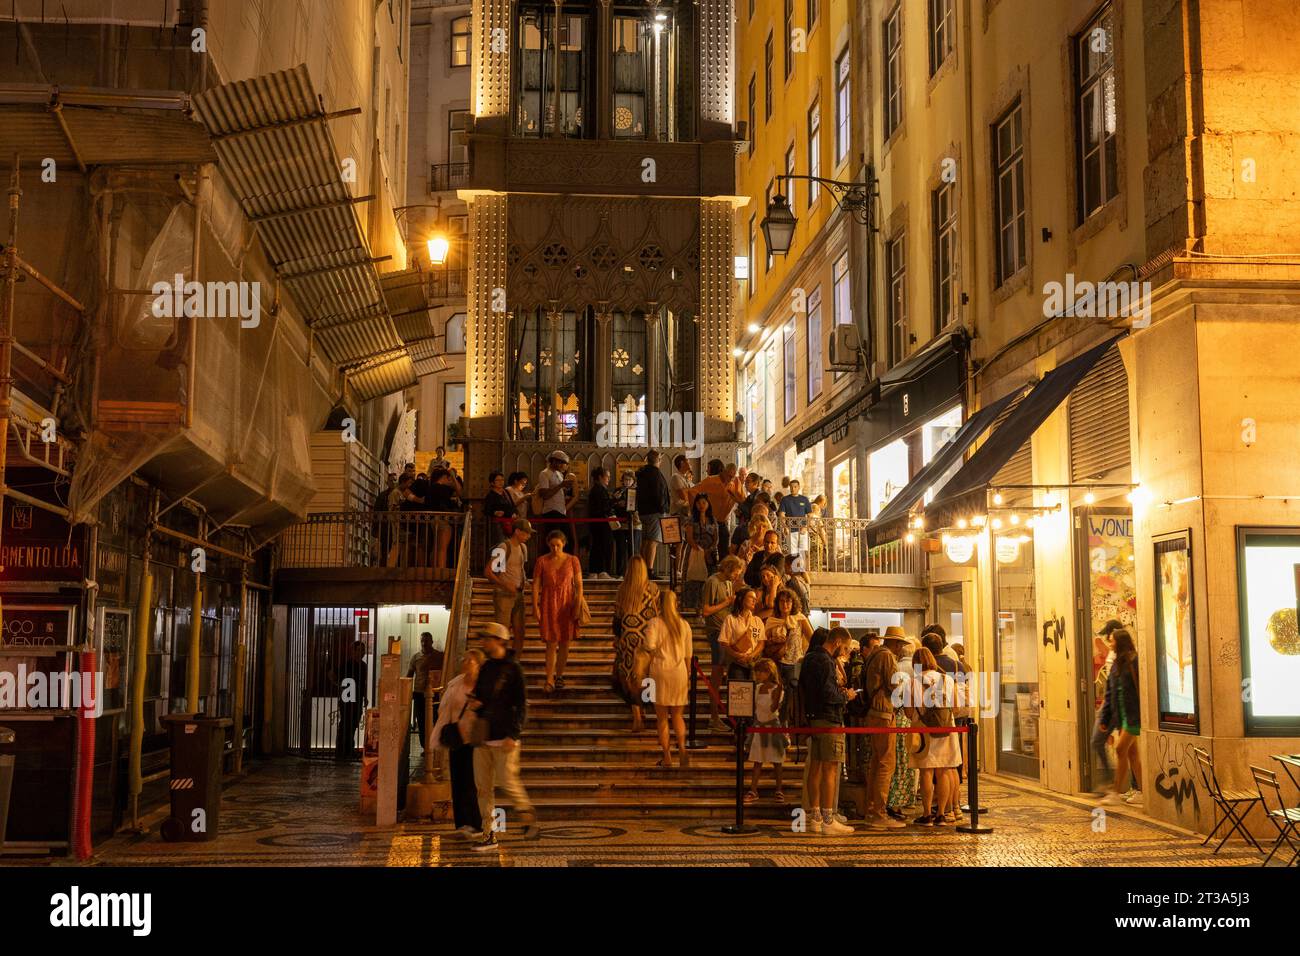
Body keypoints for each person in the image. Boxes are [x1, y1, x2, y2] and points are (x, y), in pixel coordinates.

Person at [468, 623, 538, 851]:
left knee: (508, 782)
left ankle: (526, 813)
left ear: (499, 641)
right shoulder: (486, 668)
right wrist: (476, 705)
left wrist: (514, 734)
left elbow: (521, 705)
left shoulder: (513, 669)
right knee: (483, 788)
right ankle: (489, 834)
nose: (483, 642)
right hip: (483, 737)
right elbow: (480, 698)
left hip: (505, 738)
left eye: (487, 638)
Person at [801, 626, 856, 835]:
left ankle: (814, 817)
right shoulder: (825, 660)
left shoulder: (809, 657)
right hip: (828, 719)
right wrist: (846, 695)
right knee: (830, 768)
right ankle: (827, 819)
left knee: (815, 765)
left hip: (813, 718)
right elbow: (828, 693)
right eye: (845, 648)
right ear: (838, 642)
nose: (845, 652)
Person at [431, 648, 484, 836]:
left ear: (479, 664)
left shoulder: (482, 687)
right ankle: (461, 823)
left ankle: (476, 823)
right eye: (465, 659)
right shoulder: (456, 683)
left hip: (473, 740)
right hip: (456, 738)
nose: (466, 662)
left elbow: (486, 713)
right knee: (458, 781)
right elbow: (444, 708)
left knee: (471, 782)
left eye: (470, 660)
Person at [907, 647, 961, 826]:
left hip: (924, 731)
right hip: (947, 730)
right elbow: (956, 707)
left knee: (926, 772)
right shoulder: (947, 679)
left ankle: (927, 814)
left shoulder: (913, 682)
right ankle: (941, 814)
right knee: (944, 770)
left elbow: (908, 712)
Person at [858, 635, 905, 829]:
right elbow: (894, 684)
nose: (901, 648)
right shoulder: (886, 656)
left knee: (876, 762)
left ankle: (871, 809)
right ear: (895, 643)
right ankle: (879, 813)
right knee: (886, 763)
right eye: (901, 644)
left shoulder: (874, 655)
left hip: (874, 712)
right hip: (884, 712)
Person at [643, 589, 692, 768]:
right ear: (675, 603)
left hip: (659, 671)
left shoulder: (655, 623)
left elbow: (649, 646)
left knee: (662, 718)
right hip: (679, 671)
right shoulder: (684, 624)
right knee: (678, 716)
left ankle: (667, 757)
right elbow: (688, 654)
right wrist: (687, 675)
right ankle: (682, 748)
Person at [612, 556, 661, 732]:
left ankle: (637, 717)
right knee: (647, 676)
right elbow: (658, 615)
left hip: (628, 639)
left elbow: (617, 617)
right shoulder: (654, 589)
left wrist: (617, 638)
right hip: (647, 638)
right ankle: (646, 710)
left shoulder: (623, 589)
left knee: (630, 676)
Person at [532, 529, 582, 694]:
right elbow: (536, 585)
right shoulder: (542, 561)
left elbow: (579, 585)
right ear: (548, 544)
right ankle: (549, 678)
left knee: (565, 642)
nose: (555, 549)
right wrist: (535, 605)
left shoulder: (573, 560)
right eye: (552, 545)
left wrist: (577, 604)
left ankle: (559, 675)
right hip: (549, 602)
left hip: (567, 602)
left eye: (558, 545)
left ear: (564, 544)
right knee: (551, 643)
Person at [1099, 627, 1143, 806]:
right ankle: (1142, 791)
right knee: (1132, 754)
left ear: (1120, 642)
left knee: (1120, 749)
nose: (1110, 643)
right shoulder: (1116, 664)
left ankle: (1116, 792)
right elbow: (1110, 693)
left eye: (1113, 640)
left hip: (1134, 715)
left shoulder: (1134, 661)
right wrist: (1105, 718)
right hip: (1122, 716)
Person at [700, 556, 743, 731]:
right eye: (734, 572)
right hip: (717, 631)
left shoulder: (728, 582)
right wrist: (727, 602)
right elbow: (706, 610)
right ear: (726, 568)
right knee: (717, 674)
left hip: (727, 631)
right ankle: (714, 716)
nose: (735, 576)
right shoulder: (713, 582)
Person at [884, 631, 919, 820]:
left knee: (896, 762)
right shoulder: (914, 672)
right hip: (906, 720)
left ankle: (894, 802)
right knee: (905, 763)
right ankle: (902, 800)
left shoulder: (896, 668)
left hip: (895, 718)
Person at [486, 518, 533, 654]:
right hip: (503, 595)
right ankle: (500, 660)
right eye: (526, 533)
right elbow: (488, 571)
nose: (529, 536)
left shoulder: (523, 548)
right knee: (502, 632)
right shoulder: (503, 547)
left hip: (519, 594)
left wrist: (526, 582)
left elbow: (520, 568)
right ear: (517, 531)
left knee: (520, 631)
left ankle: (514, 661)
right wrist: (505, 584)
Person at [745, 658, 788, 804]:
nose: (757, 675)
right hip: (760, 726)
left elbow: (773, 708)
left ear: (768, 672)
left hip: (773, 727)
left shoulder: (777, 689)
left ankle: (779, 789)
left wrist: (778, 695)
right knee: (758, 760)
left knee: (777, 761)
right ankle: (753, 789)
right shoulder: (757, 688)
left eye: (759, 672)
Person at [765, 588, 811, 723]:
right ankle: (773, 724)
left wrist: (805, 656)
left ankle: (784, 726)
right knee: (775, 694)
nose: (785, 604)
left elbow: (812, 638)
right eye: (782, 601)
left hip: (794, 663)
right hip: (776, 662)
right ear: (778, 603)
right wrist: (774, 641)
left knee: (789, 696)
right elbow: (764, 643)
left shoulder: (800, 619)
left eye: (788, 601)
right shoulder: (771, 621)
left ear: (793, 603)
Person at [690, 459, 744, 566]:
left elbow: (743, 501)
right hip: (710, 522)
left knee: (724, 554)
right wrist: (695, 512)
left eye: (733, 476)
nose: (730, 479)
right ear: (723, 472)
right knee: (709, 553)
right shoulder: (711, 481)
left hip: (723, 523)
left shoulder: (736, 483)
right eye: (729, 476)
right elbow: (692, 492)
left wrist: (735, 495)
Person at [1091, 619, 1122, 793]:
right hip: (1112, 706)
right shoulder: (1115, 653)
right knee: (1127, 750)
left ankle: (1111, 785)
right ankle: (1122, 786)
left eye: (1109, 635)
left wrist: (1107, 709)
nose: (1107, 639)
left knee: (1097, 740)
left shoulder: (1119, 655)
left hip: (1113, 707)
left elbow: (1115, 686)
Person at [635, 451, 671, 577]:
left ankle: (643, 568)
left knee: (645, 541)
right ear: (658, 459)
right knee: (653, 541)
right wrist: (662, 509)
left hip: (644, 511)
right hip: (654, 512)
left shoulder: (642, 473)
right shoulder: (655, 474)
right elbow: (658, 493)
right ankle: (649, 570)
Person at [406, 631, 445, 751]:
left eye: (426, 641)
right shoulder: (416, 657)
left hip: (435, 693)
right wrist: (406, 692)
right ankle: (425, 746)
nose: (424, 643)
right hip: (418, 693)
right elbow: (409, 675)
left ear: (432, 642)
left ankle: (435, 745)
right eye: (422, 641)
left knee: (435, 719)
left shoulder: (440, 656)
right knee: (421, 721)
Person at [718, 587, 765, 682]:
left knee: (753, 692)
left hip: (753, 663)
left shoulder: (757, 620)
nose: (754, 601)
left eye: (755, 599)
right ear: (741, 599)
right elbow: (724, 643)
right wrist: (738, 655)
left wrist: (751, 655)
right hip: (737, 663)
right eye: (751, 597)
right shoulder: (731, 619)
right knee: (739, 693)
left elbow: (761, 642)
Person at [536, 450, 576, 554]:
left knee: (568, 542)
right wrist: (561, 486)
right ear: (553, 461)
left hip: (561, 512)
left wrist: (565, 488)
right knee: (552, 542)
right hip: (551, 512)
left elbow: (558, 491)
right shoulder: (544, 474)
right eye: (561, 462)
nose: (563, 465)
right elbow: (545, 494)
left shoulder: (559, 474)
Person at [683, 492, 719, 609]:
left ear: (708, 504)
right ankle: (691, 606)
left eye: (704, 502)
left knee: (709, 579)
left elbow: (716, 537)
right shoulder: (691, 519)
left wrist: (710, 549)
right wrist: (698, 549)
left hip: (710, 553)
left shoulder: (712, 520)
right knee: (693, 579)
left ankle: (707, 606)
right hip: (695, 551)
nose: (701, 505)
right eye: (698, 503)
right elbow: (689, 537)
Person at [334, 640, 368, 761]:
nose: (361, 652)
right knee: (345, 723)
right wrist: (340, 687)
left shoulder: (363, 666)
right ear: (353, 651)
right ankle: (342, 750)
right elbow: (333, 675)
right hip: (347, 697)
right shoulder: (346, 664)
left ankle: (349, 749)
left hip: (358, 697)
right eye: (359, 650)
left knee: (353, 724)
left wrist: (365, 697)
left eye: (363, 650)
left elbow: (363, 683)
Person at [586, 466, 617, 579]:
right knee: (604, 546)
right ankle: (602, 570)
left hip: (597, 523)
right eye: (607, 477)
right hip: (602, 523)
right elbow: (604, 506)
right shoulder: (599, 489)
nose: (609, 479)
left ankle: (595, 571)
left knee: (597, 546)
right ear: (600, 477)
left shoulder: (596, 489)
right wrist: (614, 501)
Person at [612, 470, 639, 576]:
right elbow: (612, 505)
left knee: (633, 549)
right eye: (625, 479)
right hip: (621, 523)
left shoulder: (637, 491)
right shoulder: (618, 490)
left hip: (634, 523)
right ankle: (621, 573)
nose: (627, 482)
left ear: (633, 481)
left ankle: (634, 573)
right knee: (621, 548)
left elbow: (639, 505)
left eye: (629, 479)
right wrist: (616, 501)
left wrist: (628, 504)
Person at [482, 471, 514, 543]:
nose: (501, 482)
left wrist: (514, 513)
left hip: (509, 523)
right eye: (498, 480)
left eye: (502, 480)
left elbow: (512, 505)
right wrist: (495, 512)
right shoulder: (491, 495)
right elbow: (486, 510)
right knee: (500, 545)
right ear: (492, 483)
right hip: (498, 525)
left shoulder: (506, 492)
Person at [807, 495, 828, 571]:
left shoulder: (807, 516)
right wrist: (825, 542)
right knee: (816, 559)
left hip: (808, 538)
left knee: (810, 559)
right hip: (815, 539)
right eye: (823, 504)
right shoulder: (816, 516)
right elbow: (821, 529)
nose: (823, 506)